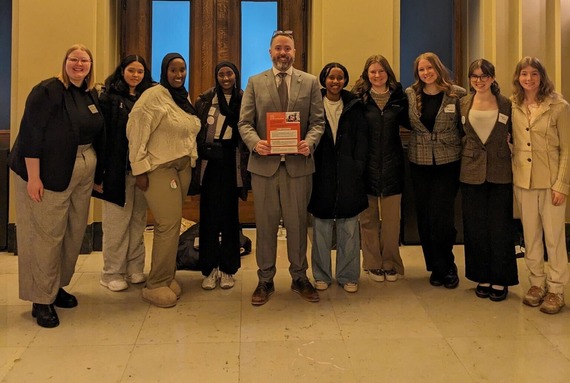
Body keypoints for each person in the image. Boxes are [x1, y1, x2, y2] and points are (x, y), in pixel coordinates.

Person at [8, 44, 104, 328]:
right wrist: (34, 177)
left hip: (80, 170)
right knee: (45, 236)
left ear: (90, 65)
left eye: (84, 60)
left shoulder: (89, 94)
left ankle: (56, 286)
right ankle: (41, 299)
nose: (78, 64)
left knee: (73, 232)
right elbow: (30, 134)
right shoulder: (47, 91)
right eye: (73, 59)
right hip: (45, 171)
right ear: (64, 62)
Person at [238, 30, 325, 306]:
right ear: (270, 52)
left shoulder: (310, 83)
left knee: (298, 224)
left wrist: (309, 143)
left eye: (287, 48)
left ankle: (300, 277)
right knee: (265, 226)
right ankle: (265, 279)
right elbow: (244, 123)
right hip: (264, 167)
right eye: (278, 48)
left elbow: (318, 123)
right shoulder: (254, 82)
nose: (283, 53)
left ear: (294, 52)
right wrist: (255, 143)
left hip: (298, 167)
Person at [126, 53, 201, 308]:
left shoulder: (182, 97)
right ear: (164, 71)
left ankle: (168, 277)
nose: (179, 75)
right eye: (173, 71)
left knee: (172, 224)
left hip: (181, 166)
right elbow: (136, 129)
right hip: (159, 167)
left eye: (182, 70)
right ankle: (155, 284)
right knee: (167, 224)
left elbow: (188, 131)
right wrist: (139, 169)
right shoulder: (153, 96)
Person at [511, 56, 570, 314]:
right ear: (518, 78)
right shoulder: (512, 105)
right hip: (523, 181)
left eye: (534, 74)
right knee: (531, 236)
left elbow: (567, 148)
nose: (529, 79)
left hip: (550, 182)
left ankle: (557, 288)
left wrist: (562, 184)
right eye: (524, 74)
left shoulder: (559, 106)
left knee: (555, 238)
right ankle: (537, 283)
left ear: (542, 77)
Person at [405, 52, 466, 289]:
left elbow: (466, 126)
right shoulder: (410, 94)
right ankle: (433, 265)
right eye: (421, 70)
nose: (426, 73)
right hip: (419, 162)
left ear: (438, 68)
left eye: (429, 68)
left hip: (448, 163)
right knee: (425, 217)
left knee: (442, 217)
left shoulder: (457, 94)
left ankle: (447, 266)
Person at [459, 59, 518, 301]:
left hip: (500, 170)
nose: (479, 80)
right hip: (471, 171)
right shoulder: (463, 103)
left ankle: (500, 278)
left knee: (500, 227)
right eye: (474, 76)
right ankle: (481, 275)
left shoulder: (507, 104)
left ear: (493, 78)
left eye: (484, 76)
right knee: (475, 227)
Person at [94, 55, 154, 292]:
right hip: (115, 171)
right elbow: (101, 137)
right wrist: (100, 174)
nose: (136, 75)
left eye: (140, 72)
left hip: (140, 171)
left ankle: (134, 268)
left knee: (138, 222)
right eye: (131, 70)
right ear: (122, 71)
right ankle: (112, 272)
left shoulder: (149, 98)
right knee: (116, 224)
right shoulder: (107, 97)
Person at [308, 62, 368, 293]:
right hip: (320, 172)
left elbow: (363, 139)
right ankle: (321, 274)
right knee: (321, 227)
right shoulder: (313, 103)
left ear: (345, 80)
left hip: (349, 172)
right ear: (323, 79)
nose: (335, 81)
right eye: (331, 77)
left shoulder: (354, 105)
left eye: (340, 77)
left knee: (349, 227)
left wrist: (357, 166)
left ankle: (349, 275)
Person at [193, 61, 250, 290]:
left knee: (229, 215)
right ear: (216, 77)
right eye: (221, 74)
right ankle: (209, 269)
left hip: (232, 159)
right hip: (210, 160)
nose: (226, 78)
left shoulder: (244, 99)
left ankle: (228, 269)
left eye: (229, 74)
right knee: (208, 215)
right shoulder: (205, 99)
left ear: (236, 76)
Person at [352, 54, 408, 283]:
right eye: (373, 72)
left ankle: (391, 263)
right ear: (367, 75)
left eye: (381, 71)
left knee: (392, 221)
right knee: (368, 220)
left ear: (388, 73)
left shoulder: (399, 98)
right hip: (366, 166)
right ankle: (373, 263)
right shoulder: (359, 99)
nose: (377, 75)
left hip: (393, 165)